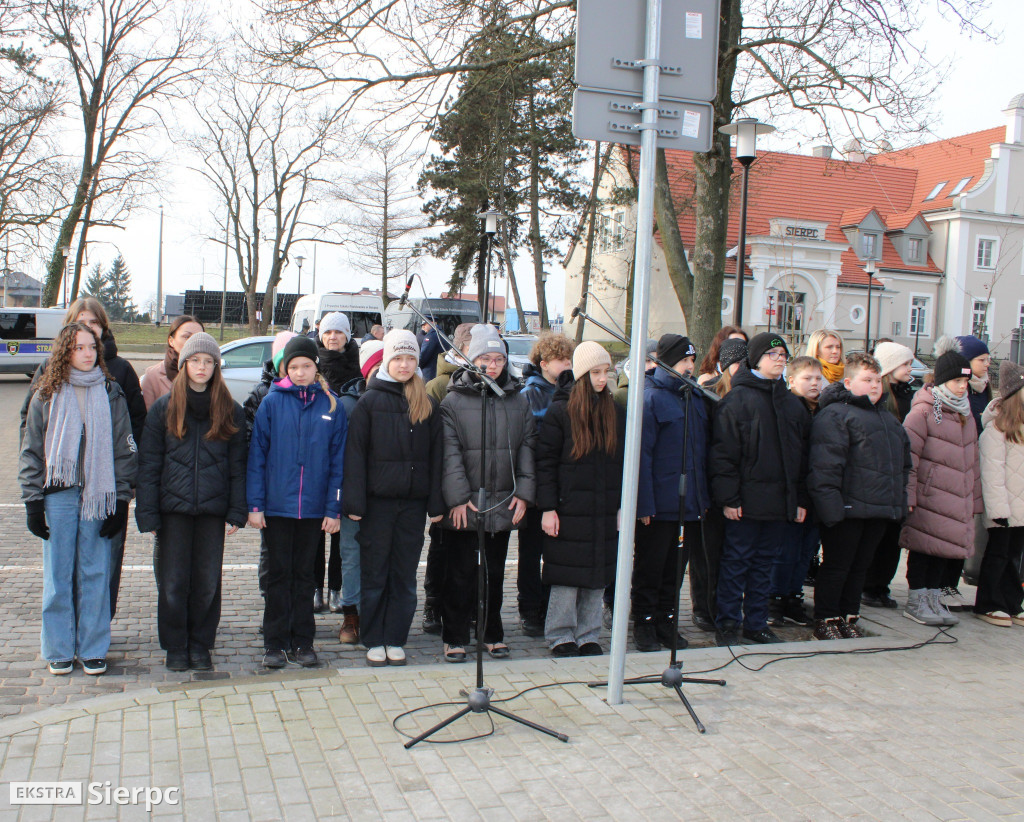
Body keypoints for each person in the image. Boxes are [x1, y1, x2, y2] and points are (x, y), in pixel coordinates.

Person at [19, 322, 137, 676]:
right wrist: (32, 502)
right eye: (78, 347)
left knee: (95, 571)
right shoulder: (46, 393)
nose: (87, 354)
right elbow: (31, 450)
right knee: (58, 575)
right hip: (58, 495)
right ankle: (58, 648)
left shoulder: (111, 392)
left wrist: (121, 499)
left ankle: (93, 648)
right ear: (64, 352)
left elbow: (125, 449)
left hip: (99, 495)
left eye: (91, 347)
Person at [135, 332, 247, 671]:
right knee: (173, 583)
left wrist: (236, 510)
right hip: (173, 512)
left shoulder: (230, 410)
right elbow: (149, 464)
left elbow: (238, 465)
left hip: (212, 511)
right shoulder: (164, 408)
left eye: (208, 361)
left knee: (206, 583)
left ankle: (200, 644)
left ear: (216, 367)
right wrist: (148, 513)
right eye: (195, 360)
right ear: (184, 364)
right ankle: (175, 646)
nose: (202, 367)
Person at [343, 330, 445, 666]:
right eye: (398, 358)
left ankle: (396, 637)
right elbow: (355, 456)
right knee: (375, 572)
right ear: (387, 360)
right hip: (377, 505)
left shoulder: (426, 403)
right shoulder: (369, 402)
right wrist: (354, 503)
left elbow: (437, 456)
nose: (404, 365)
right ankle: (374, 637)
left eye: (410, 358)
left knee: (403, 574)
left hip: (412, 505)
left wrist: (436, 503)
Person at [247, 336, 347, 669]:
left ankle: (303, 641)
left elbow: (338, 462)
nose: (301, 372)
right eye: (294, 367)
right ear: (285, 369)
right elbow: (257, 457)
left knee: (305, 577)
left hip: (313, 509)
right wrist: (255, 506)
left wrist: (333, 508)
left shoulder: (331, 405)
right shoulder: (271, 403)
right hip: (277, 508)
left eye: (306, 365)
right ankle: (274, 643)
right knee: (278, 576)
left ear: (316, 367)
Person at [439, 323, 535, 662]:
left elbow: (527, 447)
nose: (492, 366)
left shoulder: (518, 401)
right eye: (485, 359)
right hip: (466, 503)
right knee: (460, 572)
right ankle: (454, 635)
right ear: (472, 360)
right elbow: (450, 454)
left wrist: (524, 492)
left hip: (503, 500)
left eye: (499, 359)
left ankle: (491, 632)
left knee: (494, 572)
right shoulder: (453, 401)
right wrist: (458, 498)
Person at [709, 332, 811, 646]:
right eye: (772, 355)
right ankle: (728, 622)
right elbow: (723, 455)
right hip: (745, 503)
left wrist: (800, 499)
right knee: (736, 562)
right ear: (755, 360)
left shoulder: (792, 404)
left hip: (779, 503)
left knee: (764, 565)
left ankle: (756, 623)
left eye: (783, 355)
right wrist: (729, 498)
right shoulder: (737, 400)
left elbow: (803, 458)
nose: (779, 360)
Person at [807, 353, 911, 640]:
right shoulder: (835, 415)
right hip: (846, 509)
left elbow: (903, 467)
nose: (875, 385)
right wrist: (831, 509)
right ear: (849, 382)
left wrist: (898, 505)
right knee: (837, 566)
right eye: (867, 380)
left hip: (878, 510)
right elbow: (825, 466)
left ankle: (848, 616)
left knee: (860, 567)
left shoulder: (889, 421)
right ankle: (826, 619)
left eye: (877, 380)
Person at [535, 342, 624, 656]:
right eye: (595, 372)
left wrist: (621, 506)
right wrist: (548, 508)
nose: (602, 378)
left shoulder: (614, 411)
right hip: (569, 506)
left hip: (603, 507)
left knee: (598, 572)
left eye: (606, 371)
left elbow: (621, 463)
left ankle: (589, 634)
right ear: (582, 374)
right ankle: (560, 634)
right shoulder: (561, 411)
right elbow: (546, 462)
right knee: (566, 573)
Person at [634, 334, 711, 651]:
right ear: (666, 362)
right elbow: (642, 456)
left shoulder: (695, 397)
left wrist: (702, 499)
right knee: (651, 568)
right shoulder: (650, 397)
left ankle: (666, 621)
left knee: (675, 570)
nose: (690, 366)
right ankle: (644, 623)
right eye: (684, 360)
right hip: (659, 505)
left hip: (688, 503)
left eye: (692, 360)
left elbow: (701, 453)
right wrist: (644, 504)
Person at [899, 338, 982, 626]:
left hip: (955, 498)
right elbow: (909, 457)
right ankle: (916, 599)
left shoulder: (964, 413)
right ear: (942, 380)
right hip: (929, 497)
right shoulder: (925, 410)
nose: (962, 387)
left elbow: (973, 460)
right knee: (924, 548)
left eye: (965, 381)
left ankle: (933, 597)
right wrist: (909, 495)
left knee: (943, 550)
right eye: (957, 381)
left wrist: (974, 499)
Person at [517, 331, 574, 637]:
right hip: (537, 485)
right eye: (561, 360)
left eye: (569, 359)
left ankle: (551, 606)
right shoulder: (530, 394)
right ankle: (530, 608)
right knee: (531, 552)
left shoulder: (572, 391)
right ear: (544, 363)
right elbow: (529, 443)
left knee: (557, 552)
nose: (567, 365)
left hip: (562, 485)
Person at [421, 323, 475, 634]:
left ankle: (467, 605)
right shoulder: (438, 386)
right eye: (471, 350)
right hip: (446, 479)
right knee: (441, 545)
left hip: (478, 479)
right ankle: (433, 602)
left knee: (469, 551)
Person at [333, 340, 386, 645]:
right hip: (353, 494)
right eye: (375, 366)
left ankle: (376, 612)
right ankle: (351, 614)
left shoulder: (400, 399)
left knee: (380, 557)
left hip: (385, 494)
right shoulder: (346, 405)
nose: (380, 371)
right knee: (351, 556)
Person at [767, 356, 823, 628]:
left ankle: (792, 597)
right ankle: (774, 600)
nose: (814, 383)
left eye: (818, 378)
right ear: (791, 380)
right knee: (785, 552)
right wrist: (798, 498)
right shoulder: (789, 408)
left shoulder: (821, 409)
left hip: (815, 494)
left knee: (805, 552)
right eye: (807, 378)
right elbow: (793, 458)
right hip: (792, 495)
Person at [862, 341, 916, 609]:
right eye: (905, 363)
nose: (910, 369)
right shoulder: (880, 399)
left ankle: (882, 585)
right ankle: (868, 585)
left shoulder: (909, 396)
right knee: (877, 536)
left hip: (898, 475)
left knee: (893, 538)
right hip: (879, 475)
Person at [313, 312, 361, 614]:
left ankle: (336, 588)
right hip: (318, 456)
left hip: (347, 457)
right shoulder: (313, 364)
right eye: (328, 332)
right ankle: (315, 588)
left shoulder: (357, 364)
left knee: (342, 532)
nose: (333, 337)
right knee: (316, 531)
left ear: (347, 336)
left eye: (339, 332)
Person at [243, 331, 296, 601]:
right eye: (287, 361)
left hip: (297, 487)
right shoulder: (262, 394)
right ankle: (269, 594)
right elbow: (250, 440)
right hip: (271, 485)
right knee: (270, 548)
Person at [973, 360, 1024, 626]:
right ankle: (989, 602)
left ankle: (1012, 602)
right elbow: (992, 474)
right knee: (998, 555)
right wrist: (998, 511)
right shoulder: (996, 430)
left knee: (1014, 557)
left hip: (1021, 509)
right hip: (1004, 508)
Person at [141, 315, 205, 409]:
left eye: (198, 337)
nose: (193, 342)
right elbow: (147, 415)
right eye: (187, 336)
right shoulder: (153, 376)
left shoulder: (211, 373)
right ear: (171, 341)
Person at [613, 339, 657, 407]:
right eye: (647, 360)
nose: (654, 365)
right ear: (634, 362)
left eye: (658, 361)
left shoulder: (665, 387)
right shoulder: (622, 395)